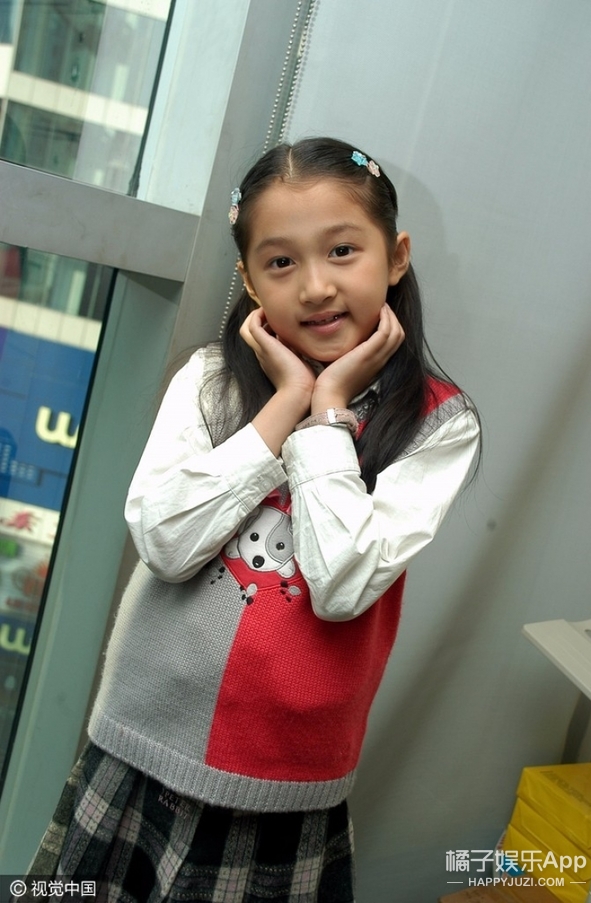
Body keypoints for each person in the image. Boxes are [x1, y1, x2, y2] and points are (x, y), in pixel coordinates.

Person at [27, 137, 480, 902]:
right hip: (139, 746)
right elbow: (165, 543)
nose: (315, 286)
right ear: (247, 279)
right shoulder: (212, 380)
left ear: (397, 256)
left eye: (342, 250)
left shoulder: (439, 423)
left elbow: (341, 586)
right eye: (280, 262)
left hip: (284, 781)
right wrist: (284, 406)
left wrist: (328, 416)